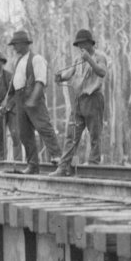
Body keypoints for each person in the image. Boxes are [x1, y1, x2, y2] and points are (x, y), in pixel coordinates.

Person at [50, 28, 108, 176]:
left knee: (95, 134)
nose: (80, 47)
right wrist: (60, 77)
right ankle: (63, 167)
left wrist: (89, 59)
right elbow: (69, 73)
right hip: (79, 101)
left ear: (90, 43)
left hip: (93, 99)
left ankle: (94, 166)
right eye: (78, 45)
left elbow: (102, 72)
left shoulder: (99, 56)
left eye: (82, 44)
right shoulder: (77, 60)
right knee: (71, 135)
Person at [6, 30, 61, 174]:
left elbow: (40, 81)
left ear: (24, 44)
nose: (14, 47)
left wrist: (33, 99)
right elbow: (15, 85)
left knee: (43, 127)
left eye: (16, 44)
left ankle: (58, 158)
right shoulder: (17, 61)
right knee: (24, 133)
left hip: (32, 97)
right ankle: (32, 165)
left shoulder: (36, 59)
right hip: (20, 99)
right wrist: (10, 103)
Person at [0, 51, 22, 161]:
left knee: (15, 133)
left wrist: (8, 107)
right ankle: (1, 160)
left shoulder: (10, 77)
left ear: (2, 63)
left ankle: (18, 160)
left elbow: (16, 94)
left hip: (11, 110)